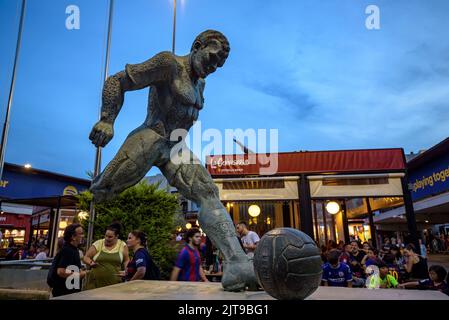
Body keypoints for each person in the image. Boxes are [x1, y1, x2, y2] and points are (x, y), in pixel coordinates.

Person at [87, 30, 255, 291]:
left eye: (218, 65)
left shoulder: (201, 84)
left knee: (209, 194)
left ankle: (238, 263)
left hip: (176, 148)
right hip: (151, 138)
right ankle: (88, 244)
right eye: (211, 58)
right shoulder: (168, 64)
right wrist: (107, 120)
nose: (213, 67)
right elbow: (116, 81)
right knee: (102, 191)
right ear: (197, 46)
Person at [83, 223, 130, 289]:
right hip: (94, 284)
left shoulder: (122, 245)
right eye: (106, 236)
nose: (107, 239)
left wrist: (126, 271)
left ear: (117, 236)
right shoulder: (99, 243)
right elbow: (86, 257)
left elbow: (126, 260)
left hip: (114, 285)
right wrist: (91, 262)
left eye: (110, 237)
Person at [51, 223, 87, 297]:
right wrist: (81, 274)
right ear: (73, 237)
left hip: (71, 291)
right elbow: (61, 271)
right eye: (81, 234)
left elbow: (70, 267)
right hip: (64, 293)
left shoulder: (73, 249)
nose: (83, 236)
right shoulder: (68, 250)